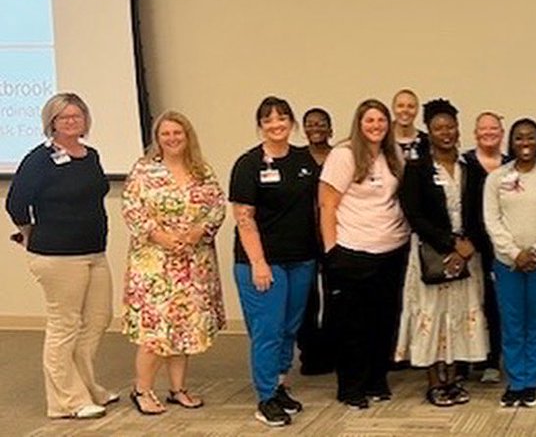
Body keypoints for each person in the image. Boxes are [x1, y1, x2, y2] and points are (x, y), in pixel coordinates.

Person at [6, 93, 118, 419]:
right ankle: (66, 402)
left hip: (94, 251)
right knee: (64, 325)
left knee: (99, 318)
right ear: (51, 122)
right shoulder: (39, 159)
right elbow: (16, 204)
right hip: (57, 255)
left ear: (85, 119)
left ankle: (86, 386)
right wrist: (28, 233)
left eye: (76, 116)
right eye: (63, 117)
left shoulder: (90, 155)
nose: (71, 121)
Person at [121, 111, 226, 416]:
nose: (172, 138)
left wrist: (199, 231)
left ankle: (177, 389)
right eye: (165, 134)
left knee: (183, 328)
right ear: (157, 138)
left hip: (194, 262)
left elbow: (217, 207)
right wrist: (159, 236)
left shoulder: (202, 171)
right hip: (154, 264)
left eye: (177, 133)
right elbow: (131, 209)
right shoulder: (144, 171)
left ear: (187, 135)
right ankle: (141, 390)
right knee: (155, 330)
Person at [228, 97, 321, 426]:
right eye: (268, 120)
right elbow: (244, 217)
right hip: (262, 264)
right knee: (267, 331)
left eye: (282, 118)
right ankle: (265, 397)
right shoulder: (248, 164)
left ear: (292, 123)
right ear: (260, 126)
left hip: (301, 260)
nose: (276, 124)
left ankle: (280, 385)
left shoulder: (304, 159)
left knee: (288, 329)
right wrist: (259, 263)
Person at [396, 99, 490, 407]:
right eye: (438, 128)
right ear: (429, 132)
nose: (445, 132)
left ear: (458, 129)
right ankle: (435, 382)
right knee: (433, 315)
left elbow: (481, 212)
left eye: (450, 126)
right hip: (432, 253)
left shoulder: (471, 168)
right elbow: (414, 213)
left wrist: (469, 246)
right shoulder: (417, 169)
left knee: (459, 315)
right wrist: (450, 244)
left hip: (468, 256)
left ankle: (453, 378)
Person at [319, 99, 409, 409]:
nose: (376, 126)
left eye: (381, 121)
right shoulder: (343, 155)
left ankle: (376, 380)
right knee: (352, 326)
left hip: (393, 249)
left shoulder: (393, 153)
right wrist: (332, 252)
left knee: (384, 320)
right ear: (359, 124)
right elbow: (327, 203)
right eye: (369, 121)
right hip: (353, 251)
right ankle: (351, 387)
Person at [484, 118, 536, 408]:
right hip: (507, 264)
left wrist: (534, 251)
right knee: (512, 322)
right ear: (512, 142)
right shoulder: (497, 178)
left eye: (531, 137)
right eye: (519, 138)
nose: (525, 143)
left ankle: (531, 382)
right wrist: (513, 252)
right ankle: (515, 381)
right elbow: (492, 220)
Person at [462, 111, 507, 384]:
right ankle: (467, 358)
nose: (489, 132)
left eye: (494, 128)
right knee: (468, 303)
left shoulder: (512, 165)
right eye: (483, 129)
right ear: (476, 134)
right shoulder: (464, 163)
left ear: (501, 133)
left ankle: (492, 360)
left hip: (499, 247)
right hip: (469, 246)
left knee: (495, 303)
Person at [298, 106, 335, 377]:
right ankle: (311, 353)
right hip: (303, 238)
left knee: (335, 296)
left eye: (321, 123)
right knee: (307, 299)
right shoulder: (294, 158)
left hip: (336, 236)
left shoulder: (340, 157)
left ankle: (335, 349)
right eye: (310, 124)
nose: (316, 128)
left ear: (330, 129)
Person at [393, 89, 430, 162]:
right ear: (393, 108)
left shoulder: (427, 142)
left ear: (417, 110)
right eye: (400, 106)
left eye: (410, 106)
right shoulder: (383, 140)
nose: (405, 110)